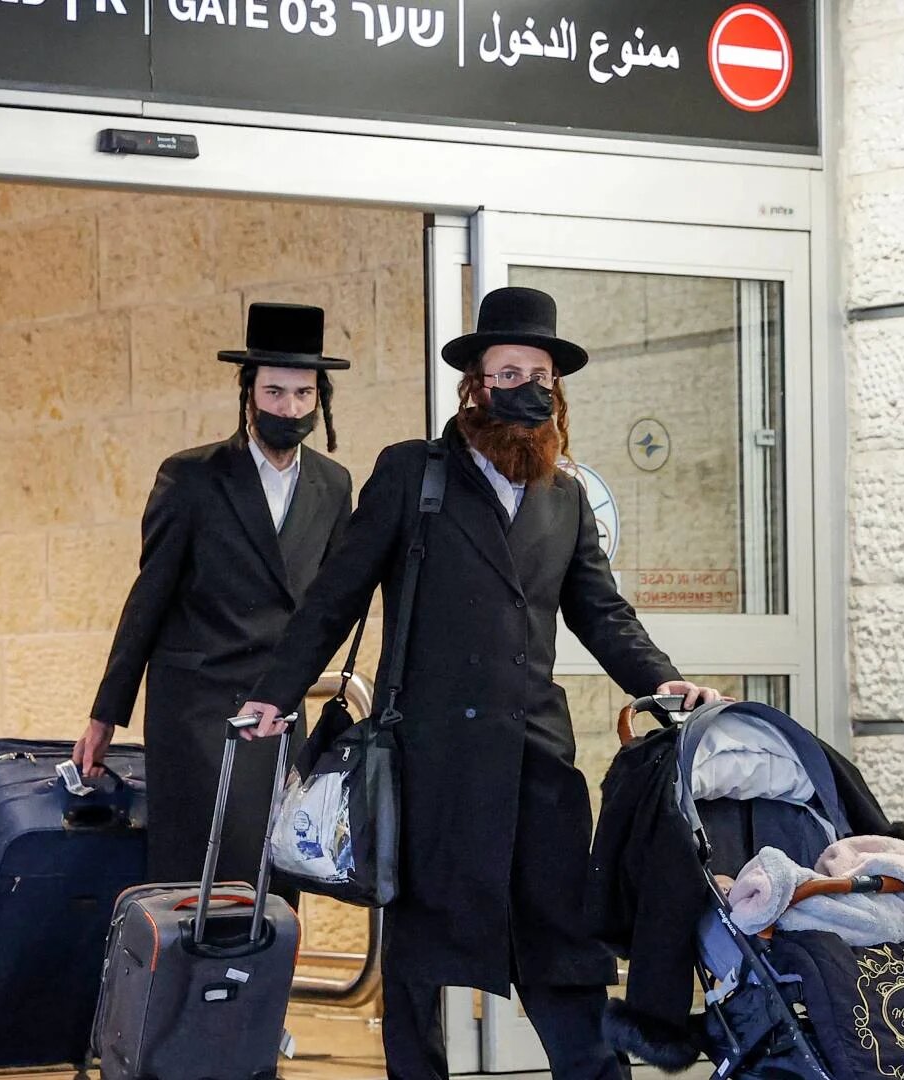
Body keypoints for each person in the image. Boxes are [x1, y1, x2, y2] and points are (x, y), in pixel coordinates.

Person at [236, 286, 723, 1079]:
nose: (523, 384)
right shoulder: (413, 474)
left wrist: (663, 685)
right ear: (477, 385)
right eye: (507, 371)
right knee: (420, 958)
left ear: (554, 388)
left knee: (561, 943)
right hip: (430, 763)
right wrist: (277, 689)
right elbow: (337, 595)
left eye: (538, 372)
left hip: (534, 756)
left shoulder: (565, 495)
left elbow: (599, 611)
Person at [75, 302, 354, 898]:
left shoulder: (333, 485)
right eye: (275, 392)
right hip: (197, 709)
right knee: (197, 880)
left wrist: (291, 687)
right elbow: (148, 597)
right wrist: (105, 713)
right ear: (248, 392)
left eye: (304, 394)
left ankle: (261, 994)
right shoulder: (193, 477)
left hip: (278, 708)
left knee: (275, 875)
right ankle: (181, 993)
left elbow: (329, 603)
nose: (290, 409)